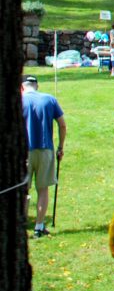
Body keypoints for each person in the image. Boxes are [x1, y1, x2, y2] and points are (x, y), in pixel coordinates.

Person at [21, 76, 67, 238]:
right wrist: (60, 147)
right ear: (37, 86)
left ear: (22, 87)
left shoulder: (18, 101)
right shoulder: (49, 99)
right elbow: (62, 124)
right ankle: (39, 227)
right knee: (43, 189)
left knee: (23, 189)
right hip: (45, 149)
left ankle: (21, 226)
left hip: (23, 151)